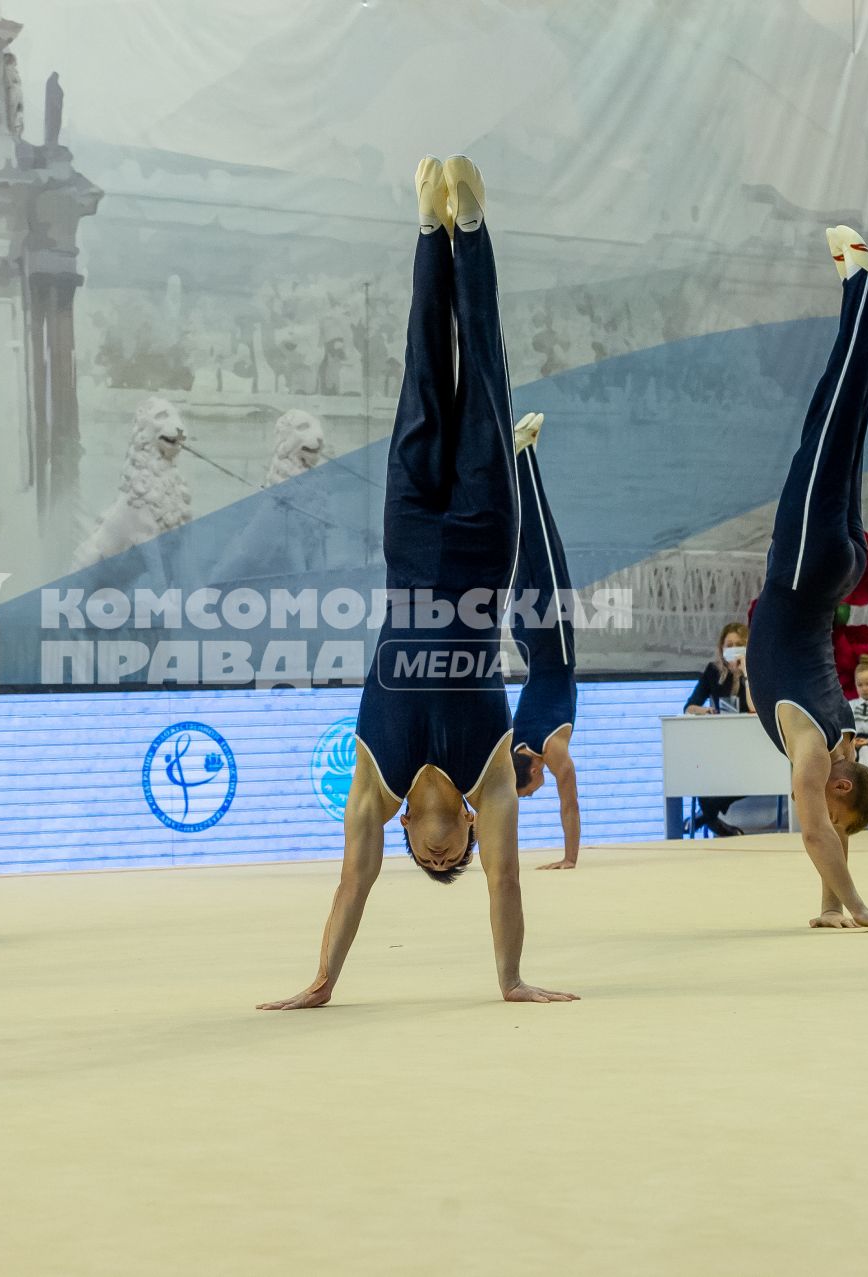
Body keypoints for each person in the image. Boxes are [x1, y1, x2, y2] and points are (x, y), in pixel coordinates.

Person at [259, 156, 576, 1010]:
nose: (442, 859)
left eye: (426, 861)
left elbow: (349, 886)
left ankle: (426, 231)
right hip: (479, 542)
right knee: (482, 382)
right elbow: (508, 886)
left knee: (422, 378)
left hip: (406, 541)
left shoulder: (375, 782)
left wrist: (323, 980)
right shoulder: (492, 780)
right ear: (470, 831)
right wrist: (510, 978)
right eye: (454, 860)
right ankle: (469, 231)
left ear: (401, 830)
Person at [744, 227, 868, 932]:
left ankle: (860, 282)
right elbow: (819, 833)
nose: (822, 810)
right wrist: (862, 909)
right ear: (840, 783)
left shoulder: (845, 738)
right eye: (834, 798)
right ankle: (861, 286)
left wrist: (827, 910)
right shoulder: (817, 752)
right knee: (831, 419)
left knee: (850, 426)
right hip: (806, 563)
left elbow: (833, 830)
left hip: (837, 570)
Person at [506, 411, 581, 870]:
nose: (537, 793)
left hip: (550, 638)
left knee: (542, 541)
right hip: (526, 639)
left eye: (531, 789)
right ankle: (522, 453)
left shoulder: (551, 752)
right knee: (523, 545)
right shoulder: (506, 745)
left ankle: (520, 454)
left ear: (534, 770)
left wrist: (569, 859)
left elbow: (569, 801)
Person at [683, 620, 752, 836]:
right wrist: (705, 711)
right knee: (702, 775)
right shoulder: (713, 671)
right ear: (721, 648)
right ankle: (714, 822)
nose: (733, 649)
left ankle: (706, 817)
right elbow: (690, 707)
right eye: (729, 644)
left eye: (738, 644)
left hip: (748, 743)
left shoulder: (757, 670)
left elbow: (754, 708)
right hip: (720, 744)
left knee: (755, 777)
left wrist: (747, 673)